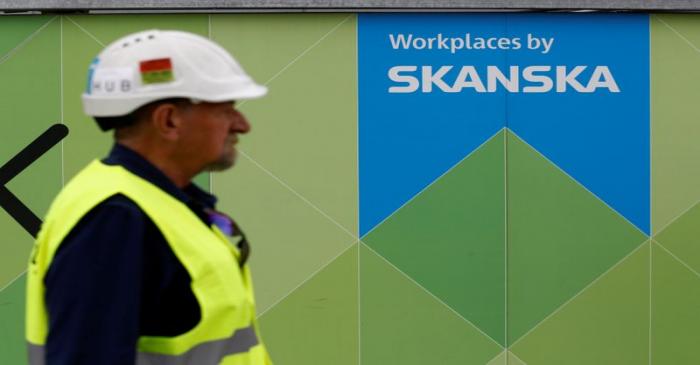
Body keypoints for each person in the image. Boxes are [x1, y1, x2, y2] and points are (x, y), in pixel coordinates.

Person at [25, 29, 272, 365]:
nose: (242, 125)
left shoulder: (152, 205)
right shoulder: (113, 219)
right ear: (168, 120)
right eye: (226, 108)